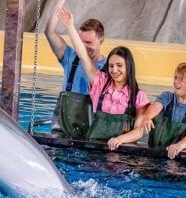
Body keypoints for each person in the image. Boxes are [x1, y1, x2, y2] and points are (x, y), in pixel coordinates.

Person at [57, 7, 149, 142]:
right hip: (95, 148)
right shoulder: (100, 84)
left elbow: (139, 130)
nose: (114, 70)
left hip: (120, 151)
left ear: (128, 67)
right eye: (111, 66)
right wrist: (70, 26)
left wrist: (120, 140)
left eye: (119, 66)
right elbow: (83, 56)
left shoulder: (138, 96)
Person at [108, 63, 186, 159]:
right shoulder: (167, 97)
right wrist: (146, 117)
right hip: (155, 156)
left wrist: (179, 146)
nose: (176, 82)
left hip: (180, 160)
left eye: (181, 79)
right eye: (176, 78)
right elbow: (155, 107)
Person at [45, 0, 107, 138]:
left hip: (92, 131)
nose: (84, 47)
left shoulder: (108, 68)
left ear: (101, 40)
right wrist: (60, 1)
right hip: (63, 128)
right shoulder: (70, 57)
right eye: (81, 42)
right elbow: (49, 32)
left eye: (89, 43)